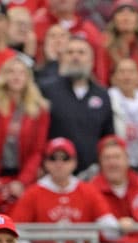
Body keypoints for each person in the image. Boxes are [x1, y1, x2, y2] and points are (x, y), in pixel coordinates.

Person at [0, 57, 50, 217]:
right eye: (11, 72)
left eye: (21, 72)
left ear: (28, 77)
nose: (16, 76)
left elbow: (38, 150)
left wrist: (22, 181)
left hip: (22, 176)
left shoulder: (40, 109)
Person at [40, 35, 116, 173]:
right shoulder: (46, 90)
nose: (75, 57)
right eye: (70, 52)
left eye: (81, 52)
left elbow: (108, 137)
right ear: (62, 58)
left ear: (91, 60)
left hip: (91, 173)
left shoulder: (102, 95)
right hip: (54, 171)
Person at [90, 135, 138, 243]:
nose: (112, 163)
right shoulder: (91, 190)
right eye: (107, 158)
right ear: (100, 162)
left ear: (127, 159)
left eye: (117, 157)